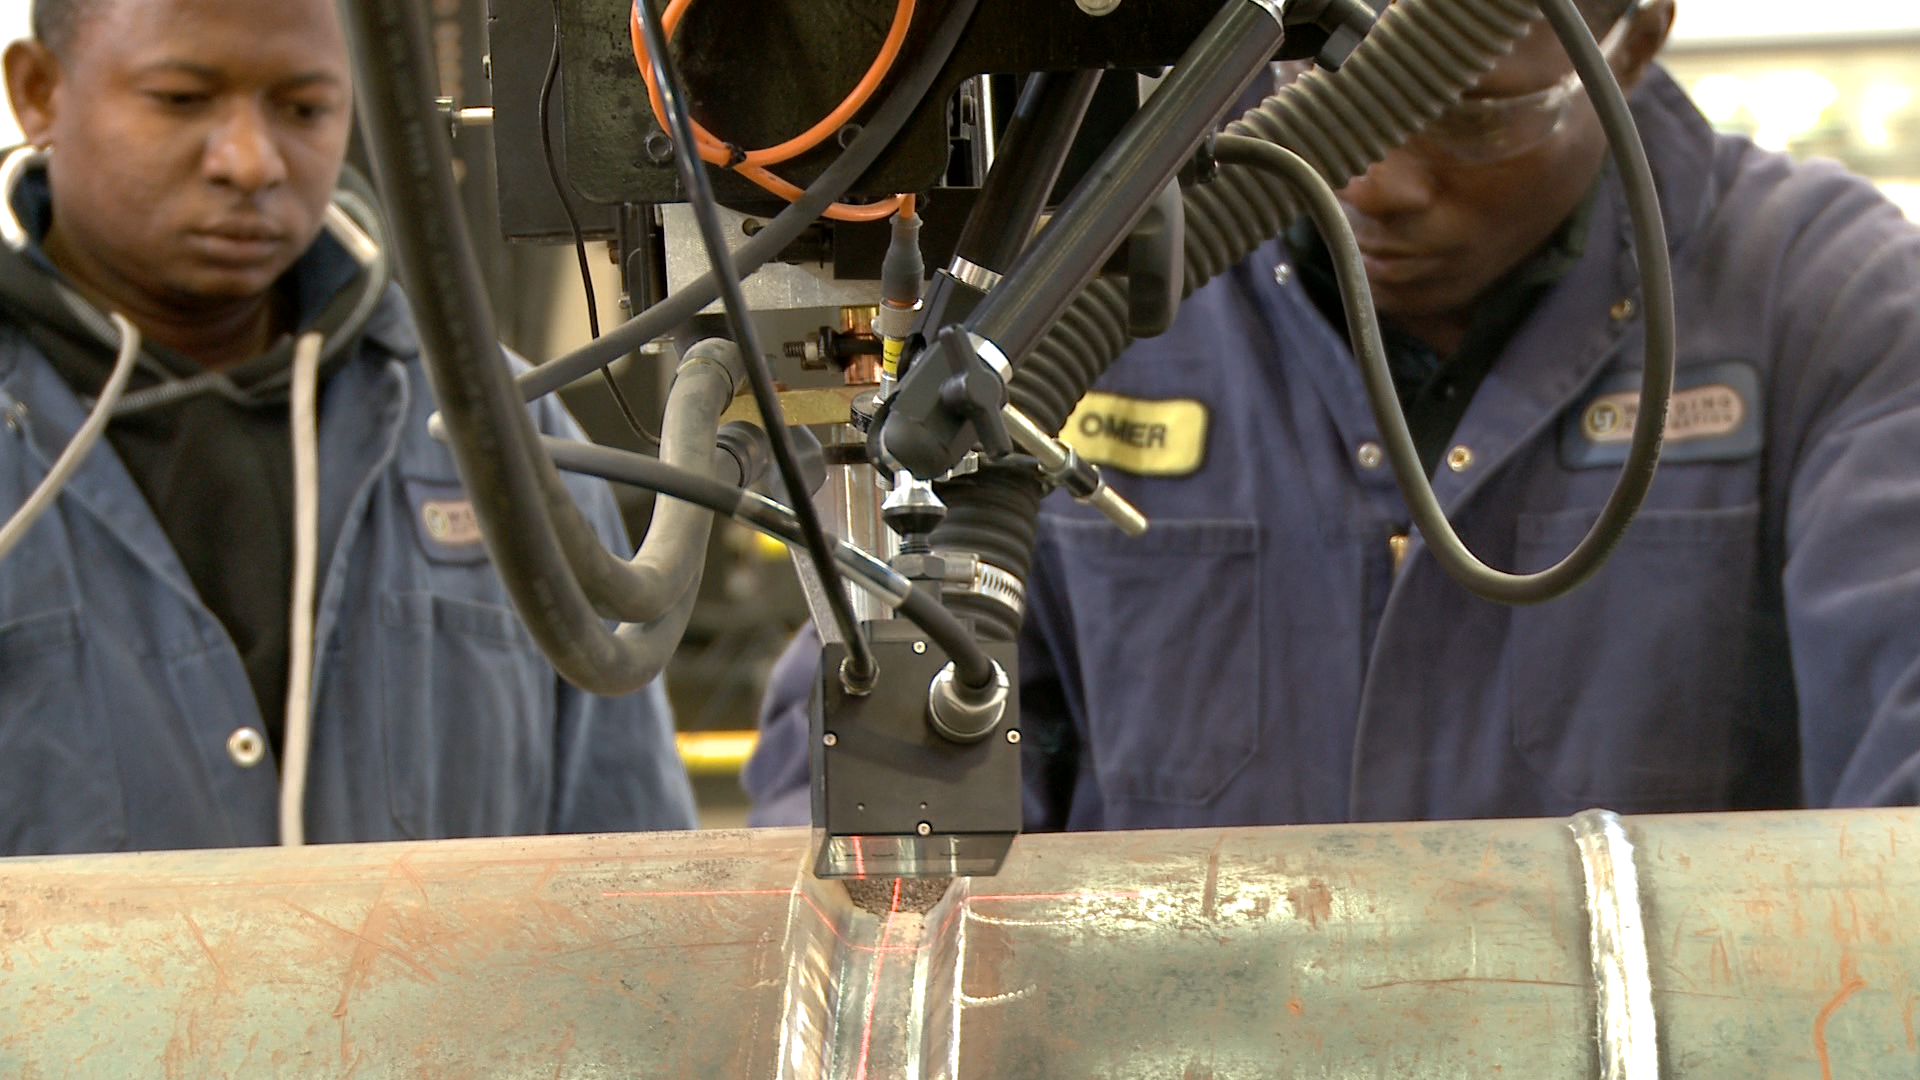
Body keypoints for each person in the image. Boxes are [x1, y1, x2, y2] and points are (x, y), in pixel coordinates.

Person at [745, 0, 1920, 830]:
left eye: (1472, 120)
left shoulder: (1826, 307)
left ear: (1640, 34)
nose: (1384, 182)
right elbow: (859, 759)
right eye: (1329, 98)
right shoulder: (1081, 309)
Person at [0, 0, 696, 855]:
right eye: (182, 98)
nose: (250, 162)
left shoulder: (500, 435)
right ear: (38, 92)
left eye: (304, 109)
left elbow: (632, 887)